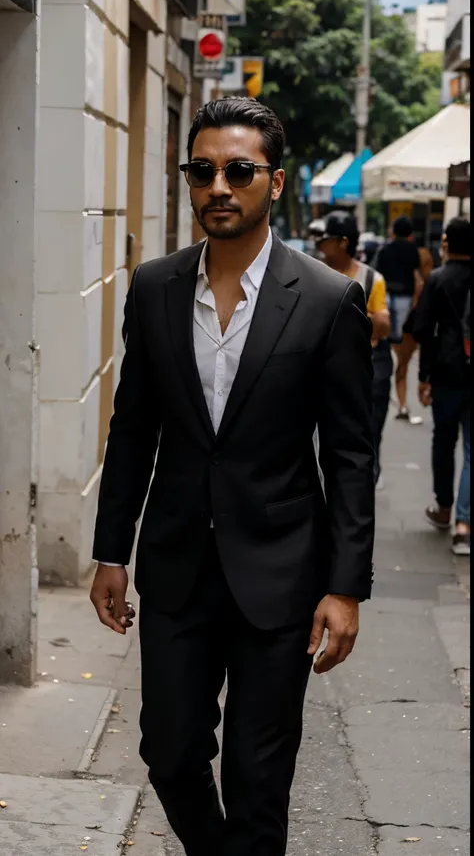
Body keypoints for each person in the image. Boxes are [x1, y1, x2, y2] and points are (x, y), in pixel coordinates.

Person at [89, 98, 375, 856]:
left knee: (258, 777)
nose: (219, 185)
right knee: (170, 752)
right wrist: (110, 549)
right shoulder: (153, 288)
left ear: (273, 183)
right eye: (203, 170)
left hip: (280, 576)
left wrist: (346, 586)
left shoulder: (326, 298)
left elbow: (350, 454)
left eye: (239, 170)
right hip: (178, 567)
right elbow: (132, 428)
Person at [316, 211, 391, 490]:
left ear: (343, 242)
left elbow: (383, 325)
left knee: (368, 427)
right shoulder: (310, 273)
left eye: (325, 240)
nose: (319, 245)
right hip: (320, 366)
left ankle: (367, 474)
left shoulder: (372, 278)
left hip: (366, 364)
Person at [414, 216, 471, 556]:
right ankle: (465, 525)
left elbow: (424, 331)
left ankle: (445, 508)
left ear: (449, 242)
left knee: (443, 441)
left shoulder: (437, 279)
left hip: (447, 373)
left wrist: (424, 377)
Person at [373, 216, 424, 420]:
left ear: (394, 231)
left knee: (389, 329)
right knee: (399, 332)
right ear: (410, 233)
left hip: (386, 293)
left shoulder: (385, 249)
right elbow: (416, 276)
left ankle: (386, 340)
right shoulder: (413, 250)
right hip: (404, 294)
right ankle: (395, 339)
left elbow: (377, 273)